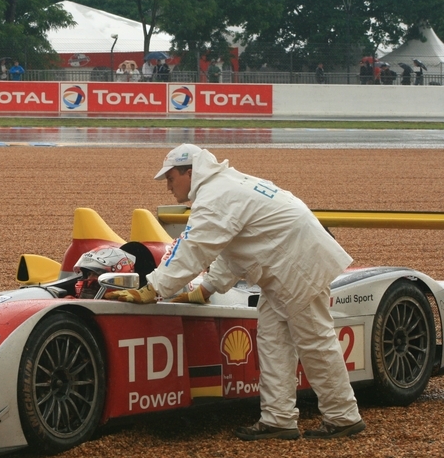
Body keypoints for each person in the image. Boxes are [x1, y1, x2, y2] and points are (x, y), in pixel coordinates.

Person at [105, 144, 365, 441]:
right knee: (272, 341)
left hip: (296, 265)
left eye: (171, 177)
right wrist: (206, 288)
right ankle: (279, 419)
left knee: (315, 340)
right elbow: (232, 249)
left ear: (189, 172)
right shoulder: (225, 186)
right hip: (287, 263)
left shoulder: (215, 197)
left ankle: (343, 417)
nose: (168, 186)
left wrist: (153, 288)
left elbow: (194, 249)